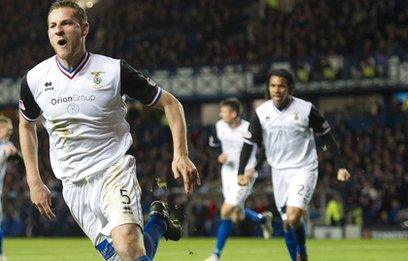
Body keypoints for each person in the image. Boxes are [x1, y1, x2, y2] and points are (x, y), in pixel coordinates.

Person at [18, 1, 200, 260]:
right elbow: (26, 125)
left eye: (66, 23)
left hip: (113, 171)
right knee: (121, 257)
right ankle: (157, 223)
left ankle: (154, 224)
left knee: (127, 245)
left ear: (84, 28)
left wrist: (180, 153)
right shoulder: (35, 79)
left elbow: (170, 103)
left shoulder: (114, 70)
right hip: (73, 184)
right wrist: (34, 181)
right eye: (52, 25)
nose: (58, 30)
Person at [236, 69, 350, 261]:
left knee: (293, 216)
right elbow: (249, 144)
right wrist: (241, 172)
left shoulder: (306, 109)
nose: (277, 90)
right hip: (279, 172)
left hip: (304, 168)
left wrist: (341, 166)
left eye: (281, 85)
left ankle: (302, 251)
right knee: (287, 222)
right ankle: (297, 257)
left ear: (290, 88)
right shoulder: (262, 112)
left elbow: (327, 138)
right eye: (273, 85)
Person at [205, 98, 273, 261]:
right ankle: (262, 219)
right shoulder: (219, 126)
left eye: (224, 112)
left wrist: (254, 169)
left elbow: (265, 150)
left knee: (226, 211)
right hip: (227, 173)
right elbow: (212, 145)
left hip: (244, 175)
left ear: (234, 113)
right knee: (236, 215)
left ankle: (216, 254)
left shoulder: (249, 128)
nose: (220, 115)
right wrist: (217, 156)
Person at [0, 116, 19, 261]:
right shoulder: (4, 146)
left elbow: (18, 157)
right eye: (9, 129)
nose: (11, 132)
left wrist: (13, 153)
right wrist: (6, 152)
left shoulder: (6, 144)